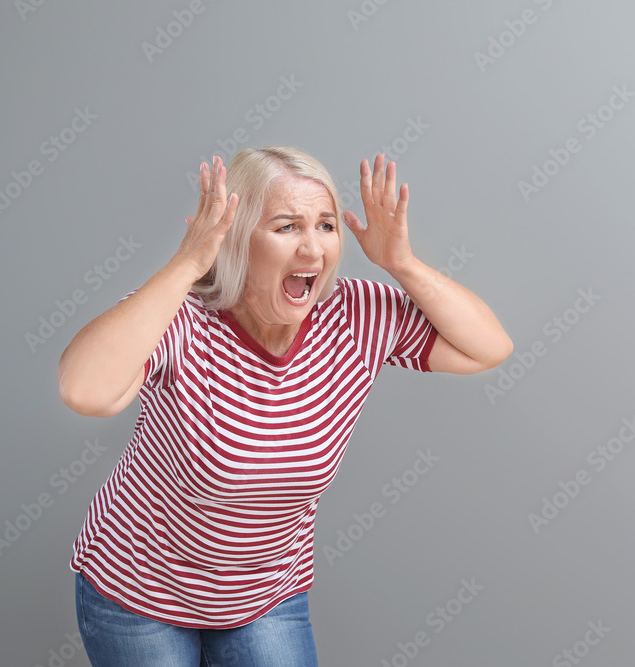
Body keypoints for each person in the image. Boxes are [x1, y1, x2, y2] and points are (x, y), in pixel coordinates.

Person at [58, 146, 513, 666]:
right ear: (236, 236)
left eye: (324, 225)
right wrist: (187, 263)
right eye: (286, 227)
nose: (313, 249)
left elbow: (488, 347)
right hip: (138, 592)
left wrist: (401, 264)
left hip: (264, 598)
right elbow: (84, 390)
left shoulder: (354, 316)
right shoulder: (184, 319)